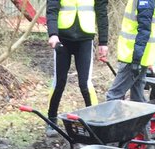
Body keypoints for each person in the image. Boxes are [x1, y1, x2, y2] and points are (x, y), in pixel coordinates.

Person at [46, 0, 109, 129]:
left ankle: (94, 122)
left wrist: (103, 42)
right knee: (59, 82)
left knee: (85, 84)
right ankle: (51, 119)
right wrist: (53, 34)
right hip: (62, 39)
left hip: (85, 40)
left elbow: (102, 12)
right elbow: (52, 10)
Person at [107, 0, 155, 103]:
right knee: (138, 98)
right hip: (140, 55)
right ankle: (146, 114)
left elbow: (144, 30)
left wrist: (136, 60)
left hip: (134, 56)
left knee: (113, 97)